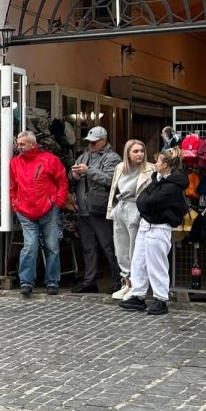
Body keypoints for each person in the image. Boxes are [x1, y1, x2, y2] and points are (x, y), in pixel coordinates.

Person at [119, 149, 188, 315]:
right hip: (146, 224)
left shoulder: (172, 186)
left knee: (157, 264)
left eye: (158, 161)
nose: (155, 164)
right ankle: (138, 295)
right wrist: (146, 203)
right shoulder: (157, 180)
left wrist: (146, 203)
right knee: (139, 261)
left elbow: (148, 201)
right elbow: (142, 199)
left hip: (159, 226)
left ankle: (161, 298)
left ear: (165, 165)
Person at [10, 131, 69, 296]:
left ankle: (52, 282)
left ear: (32, 144)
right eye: (18, 144)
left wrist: (57, 202)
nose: (18, 147)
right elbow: (13, 187)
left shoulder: (50, 160)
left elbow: (62, 182)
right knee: (30, 246)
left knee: (52, 246)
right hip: (25, 210)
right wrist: (15, 204)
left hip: (48, 210)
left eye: (22, 144)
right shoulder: (15, 163)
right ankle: (26, 282)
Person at [69, 126, 122, 294]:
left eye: (94, 142)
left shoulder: (112, 157)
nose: (90, 145)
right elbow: (70, 177)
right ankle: (89, 281)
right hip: (84, 210)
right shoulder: (83, 156)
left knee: (109, 247)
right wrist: (74, 175)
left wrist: (88, 171)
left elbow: (110, 180)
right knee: (88, 247)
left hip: (100, 209)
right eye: (88, 142)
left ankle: (119, 281)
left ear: (103, 141)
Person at [106, 139, 154, 300]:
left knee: (136, 249)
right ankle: (126, 283)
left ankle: (136, 285)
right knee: (121, 249)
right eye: (135, 151)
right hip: (121, 206)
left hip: (136, 208)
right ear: (128, 153)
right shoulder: (120, 168)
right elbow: (114, 189)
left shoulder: (150, 169)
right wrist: (112, 210)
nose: (139, 154)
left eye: (142, 150)